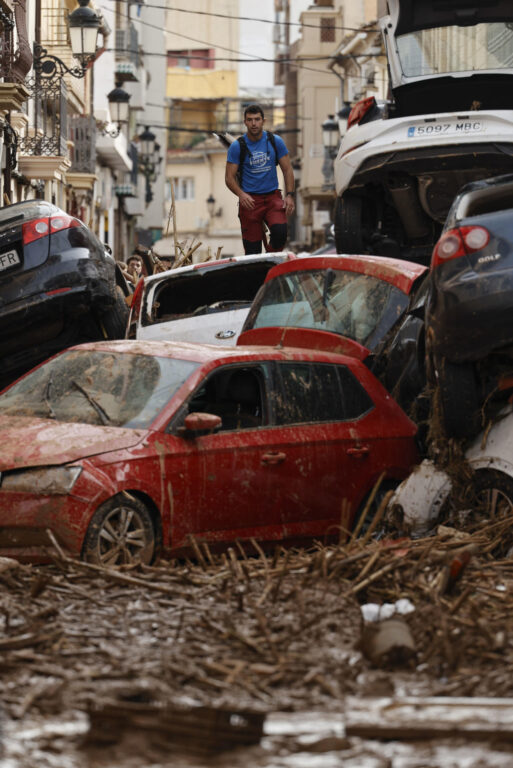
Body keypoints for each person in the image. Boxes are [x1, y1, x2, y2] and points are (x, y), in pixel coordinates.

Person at [225, 103, 295, 254]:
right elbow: (229, 178)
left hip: (272, 198)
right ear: (245, 122)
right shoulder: (237, 146)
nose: (254, 123)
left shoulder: (275, 141)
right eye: (250, 120)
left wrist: (290, 195)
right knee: (252, 251)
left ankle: (271, 258)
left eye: (257, 119)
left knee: (280, 233)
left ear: (263, 120)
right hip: (250, 202)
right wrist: (241, 194)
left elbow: (288, 170)